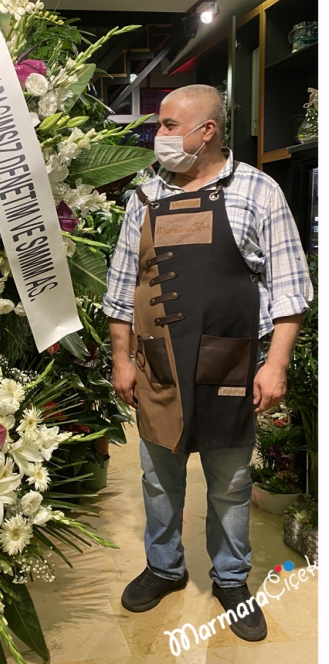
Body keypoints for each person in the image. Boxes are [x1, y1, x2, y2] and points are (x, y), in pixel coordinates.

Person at [103, 84, 313, 642]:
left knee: (229, 483)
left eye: (170, 125)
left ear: (207, 130)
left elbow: (291, 292)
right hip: (156, 368)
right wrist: (121, 359)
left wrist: (277, 365)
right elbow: (122, 290)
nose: (159, 136)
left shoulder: (257, 192)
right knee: (158, 478)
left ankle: (230, 581)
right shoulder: (143, 197)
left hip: (231, 366)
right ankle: (165, 567)